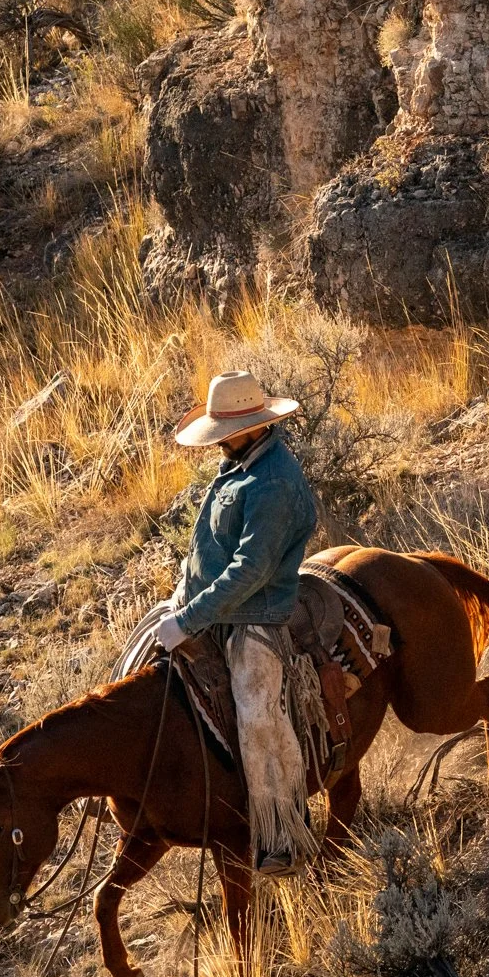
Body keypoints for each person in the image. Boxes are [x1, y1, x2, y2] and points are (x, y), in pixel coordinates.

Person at [155, 370, 320, 876]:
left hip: (256, 613)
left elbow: (250, 571)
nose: (219, 442)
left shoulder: (273, 482)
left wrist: (189, 619)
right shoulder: (241, 462)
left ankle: (284, 834)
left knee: (258, 715)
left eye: (227, 431)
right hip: (209, 602)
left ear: (254, 424)